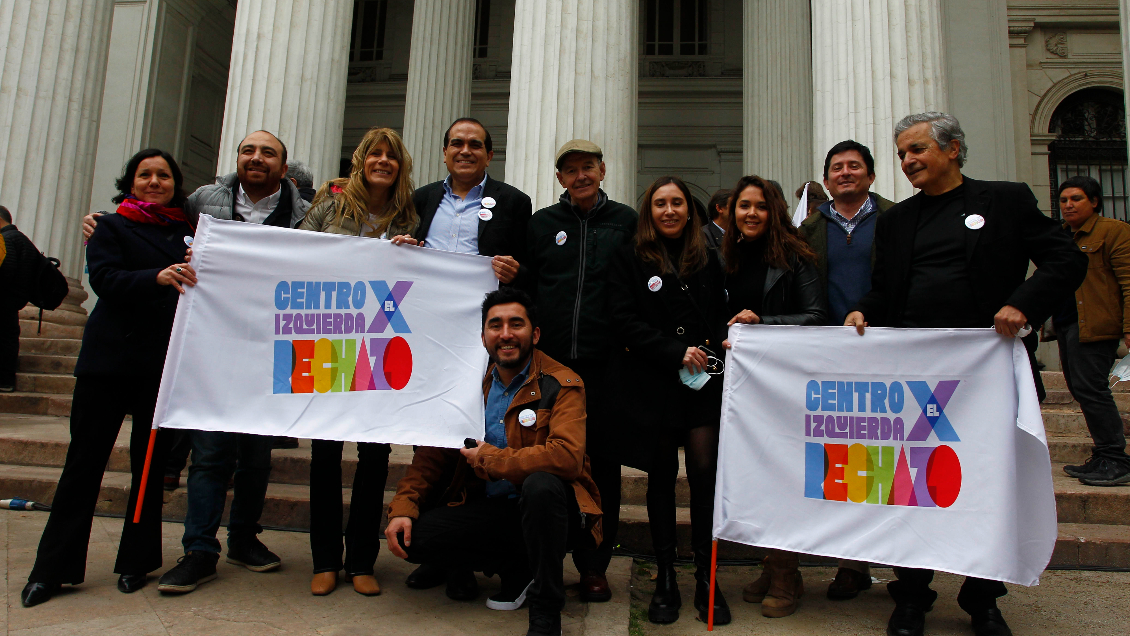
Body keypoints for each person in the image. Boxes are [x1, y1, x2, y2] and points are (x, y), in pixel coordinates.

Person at [846, 112, 1087, 636]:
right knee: (912, 486)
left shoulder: (1004, 200)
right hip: (915, 380)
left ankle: (983, 597)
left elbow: (1065, 260)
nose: (907, 162)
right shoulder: (896, 221)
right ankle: (911, 594)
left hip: (988, 376)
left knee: (986, 485)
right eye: (902, 154)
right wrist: (864, 310)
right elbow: (884, 291)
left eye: (916, 150)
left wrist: (1023, 304)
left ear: (952, 149)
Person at [20, 149, 197, 607]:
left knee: (149, 466)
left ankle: (136, 561)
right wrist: (155, 278)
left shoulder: (189, 233)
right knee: (83, 464)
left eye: (163, 175)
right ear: (131, 182)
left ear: (176, 185)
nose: (154, 182)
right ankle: (52, 569)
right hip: (108, 362)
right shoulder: (109, 225)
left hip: (160, 365)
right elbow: (104, 279)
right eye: (145, 175)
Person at [384, 287, 602, 636]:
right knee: (414, 538)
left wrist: (491, 459)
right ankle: (516, 567)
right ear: (484, 336)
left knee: (541, 485)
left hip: (551, 513)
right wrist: (404, 506)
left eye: (516, 324)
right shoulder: (467, 384)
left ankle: (546, 609)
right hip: (491, 508)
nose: (505, 334)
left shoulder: (563, 383)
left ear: (535, 333)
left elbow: (566, 457)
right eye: (495, 325)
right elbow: (431, 455)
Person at [297, 127, 418, 596]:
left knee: (375, 453)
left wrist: (413, 253)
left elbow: (420, 276)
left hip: (382, 345)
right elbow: (293, 253)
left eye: (391, 156)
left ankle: (361, 561)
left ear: (400, 165)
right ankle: (325, 559)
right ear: (361, 160)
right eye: (375, 154)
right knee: (325, 453)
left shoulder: (409, 214)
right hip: (330, 342)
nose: (382, 161)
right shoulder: (329, 205)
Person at [606, 176, 730, 625]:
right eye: (660, 203)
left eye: (677, 202)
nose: (670, 210)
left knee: (702, 474)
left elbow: (718, 314)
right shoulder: (628, 257)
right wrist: (672, 350)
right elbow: (622, 319)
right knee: (660, 478)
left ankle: (705, 577)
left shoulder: (709, 257)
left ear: (689, 210)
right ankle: (664, 577)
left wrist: (720, 342)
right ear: (648, 212)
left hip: (700, 382)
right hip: (651, 381)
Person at [520, 139, 637, 602]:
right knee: (543, 459)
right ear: (560, 178)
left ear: (603, 170)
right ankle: (541, 560)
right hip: (550, 368)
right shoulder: (541, 225)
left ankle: (594, 565)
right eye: (571, 169)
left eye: (588, 167)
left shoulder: (626, 222)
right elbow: (527, 286)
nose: (581, 175)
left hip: (605, 366)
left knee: (602, 466)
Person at [722, 175, 826, 619]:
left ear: (775, 211)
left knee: (779, 476)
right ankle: (771, 563)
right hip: (733, 384)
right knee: (751, 477)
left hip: (780, 387)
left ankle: (787, 573)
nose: (750, 214)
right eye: (743, 205)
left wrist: (763, 323)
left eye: (760, 207)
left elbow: (817, 315)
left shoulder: (795, 257)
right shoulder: (721, 256)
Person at [797, 140, 895, 601]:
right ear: (827, 178)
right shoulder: (810, 228)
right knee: (846, 462)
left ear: (871, 176)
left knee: (895, 462)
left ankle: (904, 563)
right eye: (836, 167)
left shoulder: (896, 218)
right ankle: (851, 563)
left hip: (889, 357)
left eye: (855, 166)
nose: (845, 173)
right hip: (832, 360)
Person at [1054, 175, 1130, 486]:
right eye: (1063, 200)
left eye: (1076, 199)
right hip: (1066, 323)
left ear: (1094, 201)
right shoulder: (1060, 236)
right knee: (1081, 389)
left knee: (1092, 388)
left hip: (1097, 323)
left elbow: (1128, 281)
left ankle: (1115, 459)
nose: (1068, 205)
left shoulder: (1113, 231)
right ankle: (1104, 455)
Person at [402, 118, 532, 286]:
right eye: (457, 144)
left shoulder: (514, 201)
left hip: (483, 307)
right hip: (426, 301)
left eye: (475, 145)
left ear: (489, 157)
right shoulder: (421, 198)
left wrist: (516, 272)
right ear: (445, 153)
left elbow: (529, 267)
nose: (465, 151)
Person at [0, 205, 36, 392]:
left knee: (6, 339)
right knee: (9, 337)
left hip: (4, 300)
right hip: (13, 299)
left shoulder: (6, 239)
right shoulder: (20, 238)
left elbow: (6, 269)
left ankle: (5, 379)